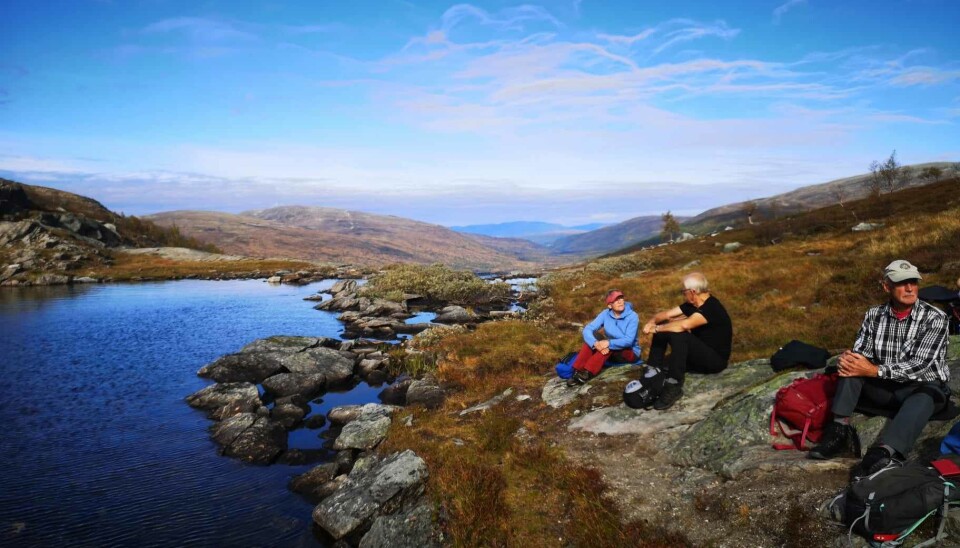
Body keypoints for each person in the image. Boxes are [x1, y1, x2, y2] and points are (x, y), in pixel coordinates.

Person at [807, 260, 951, 478]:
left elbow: (920, 366)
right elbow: (861, 352)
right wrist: (852, 359)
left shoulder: (935, 318)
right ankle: (838, 431)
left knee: (925, 395)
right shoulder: (874, 315)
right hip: (885, 387)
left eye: (913, 282)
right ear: (887, 286)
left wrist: (874, 371)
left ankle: (884, 452)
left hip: (919, 386)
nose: (910, 288)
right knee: (852, 367)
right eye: (902, 283)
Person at [641, 272, 732, 410]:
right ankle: (652, 371)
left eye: (684, 292)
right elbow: (665, 315)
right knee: (666, 328)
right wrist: (652, 322)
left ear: (692, 292)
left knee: (678, 333)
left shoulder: (711, 308)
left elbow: (684, 325)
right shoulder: (692, 304)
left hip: (715, 361)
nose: (683, 294)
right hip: (699, 356)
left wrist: (657, 329)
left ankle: (674, 385)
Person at [566, 290, 641, 386]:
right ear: (610, 305)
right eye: (616, 300)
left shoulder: (632, 316)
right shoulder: (605, 314)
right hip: (612, 352)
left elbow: (628, 341)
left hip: (630, 353)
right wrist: (595, 343)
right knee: (594, 336)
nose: (620, 301)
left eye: (621, 298)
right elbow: (588, 329)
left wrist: (608, 343)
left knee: (609, 345)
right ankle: (577, 370)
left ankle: (588, 372)